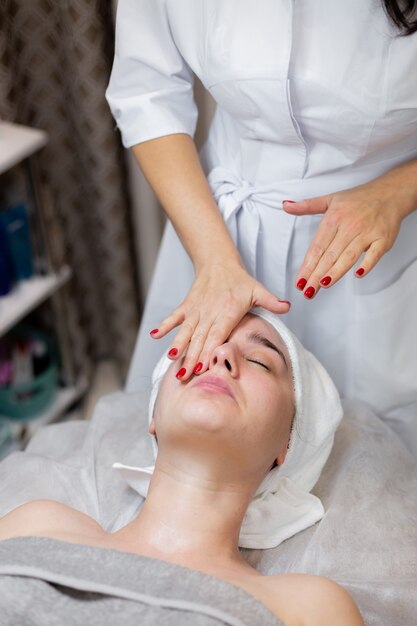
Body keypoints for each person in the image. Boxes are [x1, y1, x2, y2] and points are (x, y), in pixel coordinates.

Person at [105, 0, 417, 458]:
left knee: (369, 463)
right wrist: (213, 260)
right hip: (214, 229)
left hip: (381, 239)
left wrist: (399, 190)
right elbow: (145, 93)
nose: (227, 361)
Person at [0, 311, 364, 626]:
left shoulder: (307, 607)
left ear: (288, 444)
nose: (221, 354)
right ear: (154, 414)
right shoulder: (39, 524)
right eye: (199, 346)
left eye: (260, 361)